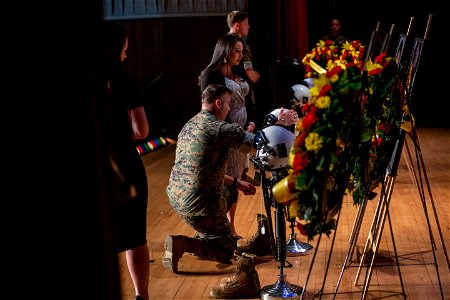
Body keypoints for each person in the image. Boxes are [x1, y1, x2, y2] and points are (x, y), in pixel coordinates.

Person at [163, 84, 298, 298]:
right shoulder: (220, 128)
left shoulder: (190, 125)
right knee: (225, 250)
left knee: (230, 193)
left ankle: (209, 231)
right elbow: (263, 144)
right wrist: (281, 123)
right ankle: (184, 243)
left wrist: (235, 182)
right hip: (199, 203)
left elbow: (200, 168)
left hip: (177, 196)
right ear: (218, 104)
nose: (228, 109)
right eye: (228, 104)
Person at [100, 22, 150, 300]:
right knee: (134, 237)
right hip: (125, 166)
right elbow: (142, 131)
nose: (126, 55)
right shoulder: (125, 81)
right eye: (124, 50)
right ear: (115, 50)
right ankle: (141, 296)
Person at [198, 33, 254, 240]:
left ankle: (231, 225)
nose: (240, 56)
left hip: (242, 130)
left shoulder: (239, 71)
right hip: (224, 132)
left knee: (236, 177)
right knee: (224, 178)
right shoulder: (209, 75)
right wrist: (230, 130)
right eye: (236, 51)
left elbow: (249, 100)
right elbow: (210, 108)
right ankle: (219, 227)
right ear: (225, 51)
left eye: (241, 51)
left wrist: (251, 122)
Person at [227, 10, 261, 184]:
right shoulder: (238, 44)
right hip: (236, 97)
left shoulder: (229, 43)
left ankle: (239, 173)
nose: (249, 27)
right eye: (246, 24)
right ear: (237, 25)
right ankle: (237, 175)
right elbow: (250, 74)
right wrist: (254, 75)